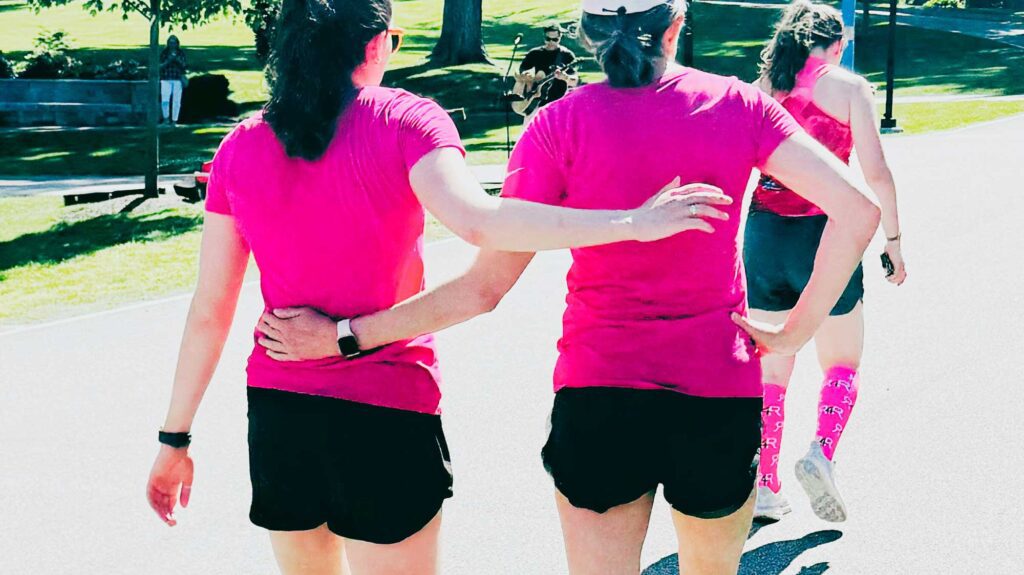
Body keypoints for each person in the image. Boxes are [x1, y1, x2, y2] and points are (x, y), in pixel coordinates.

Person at [258, 0, 880, 572]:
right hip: (716, 388)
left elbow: (483, 289)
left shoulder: (556, 126)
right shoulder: (738, 105)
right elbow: (858, 210)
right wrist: (794, 331)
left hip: (598, 393)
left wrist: (344, 336)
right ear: (675, 25)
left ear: (589, 34)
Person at [143, 0, 727, 573]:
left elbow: (209, 311)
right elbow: (480, 223)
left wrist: (175, 439)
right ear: (377, 44)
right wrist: (632, 223)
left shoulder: (241, 145)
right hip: (385, 404)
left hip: (280, 410)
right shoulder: (405, 120)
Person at [747, 0, 907, 524]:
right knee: (842, 362)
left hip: (765, 234)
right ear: (837, 44)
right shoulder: (850, 88)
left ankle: (765, 484)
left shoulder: (767, 86)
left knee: (773, 365)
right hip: (826, 233)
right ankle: (820, 453)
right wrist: (893, 239)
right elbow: (876, 172)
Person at [512, 24, 580, 123]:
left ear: (560, 38)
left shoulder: (567, 55)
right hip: (534, 105)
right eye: (548, 39)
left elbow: (575, 82)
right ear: (544, 37)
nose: (551, 42)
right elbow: (520, 74)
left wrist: (565, 78)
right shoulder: (534, 54)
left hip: (558, 106)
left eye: (555, 39)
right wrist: (528, 78)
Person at [159, 35, 187, 125]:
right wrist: (169, 60)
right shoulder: (164, 53)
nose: (172, 45)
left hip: (177, 79)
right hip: (166, 78)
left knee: (176, 101)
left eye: (174, 43)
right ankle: (166, 118)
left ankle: (175, 120)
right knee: (165, 100)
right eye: (170, 43)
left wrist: (176, 59)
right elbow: (160, 66)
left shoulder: (180, 53)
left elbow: (184, 66)